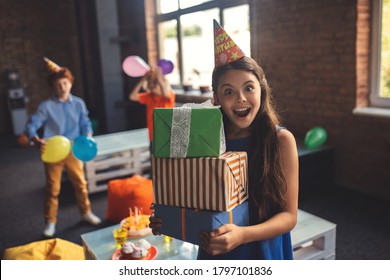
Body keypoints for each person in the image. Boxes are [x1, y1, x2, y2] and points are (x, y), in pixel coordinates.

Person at [149, 20, 299, 260]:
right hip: (215, 249)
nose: (240, 99)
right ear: (216, 98)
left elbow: (289, 216)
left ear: (262, 89)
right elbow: (193, 194)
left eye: (249, 88)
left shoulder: (281, 140)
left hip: (262, 250)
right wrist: (170, 217)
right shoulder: (205, 139)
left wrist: (242, 235)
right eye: (229, 91)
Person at [25, 57, 102, 238]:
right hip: (52, 151)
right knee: (53, 188)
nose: (62, 87)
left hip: (74, 149)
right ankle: (50, 222)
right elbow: (32, 124)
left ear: (70, 83)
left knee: (80, 184)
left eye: (65, 83)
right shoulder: (46, 106)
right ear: (53, 86)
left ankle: (86, 213)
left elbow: (85, 122)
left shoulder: (78, 103)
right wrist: (35, 139)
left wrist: (88, 134)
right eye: (58, 84)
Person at [128, 65, 175, 149]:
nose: (151, 85)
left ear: (162, 83)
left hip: (167, 136)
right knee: (154, 160)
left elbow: (166, 93)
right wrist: (143, 79)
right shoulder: (149, 96)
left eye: (155, 82)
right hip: (153, 136)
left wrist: (159, 77)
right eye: (150, 82)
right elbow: (132, 96)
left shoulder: (168, 96)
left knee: (167, 161)